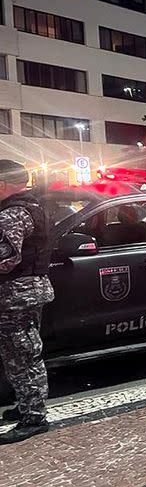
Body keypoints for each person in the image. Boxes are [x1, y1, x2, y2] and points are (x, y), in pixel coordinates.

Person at [0, 160, 54, 444]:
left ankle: (34, 416)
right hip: (25, 291)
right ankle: (25, 404)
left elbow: (5, 258)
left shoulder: (12, 214)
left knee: (22, 354)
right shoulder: (32, 206)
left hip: (16, 294)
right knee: (17, 353)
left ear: (3, 184)